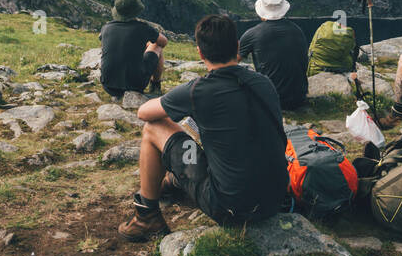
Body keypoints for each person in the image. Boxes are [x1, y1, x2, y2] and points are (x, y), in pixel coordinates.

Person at [118, 13, 289, 241]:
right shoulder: (264, 82)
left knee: (153, 127)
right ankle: (176, 181)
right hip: (276, 199)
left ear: (200, 52)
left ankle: (145, 216)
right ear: (236, 46)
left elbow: (144, 113)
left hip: (231, 208)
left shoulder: (198, 90)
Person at [238, 0, 309, 110]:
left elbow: (232, 61)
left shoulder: (253, 33)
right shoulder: (297, 30)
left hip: (271, 99)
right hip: (299, 97)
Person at [98, 0, 167, 99]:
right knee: (157, 46)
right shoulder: (143, 28)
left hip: (108, 86)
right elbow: (163, 42)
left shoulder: (106, 27)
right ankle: (155, 86)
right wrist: (147, 43)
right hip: (135, 85)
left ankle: (117, 94)